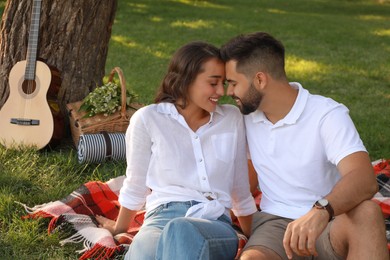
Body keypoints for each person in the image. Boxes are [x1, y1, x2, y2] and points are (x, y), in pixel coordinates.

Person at [220, 31, 389, 260]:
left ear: (260, 80)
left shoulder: (326, 114)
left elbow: (364, 178)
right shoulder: (244, 117)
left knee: (368, 212)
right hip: (275, 226)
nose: (228, 92)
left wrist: (321, 211)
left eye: (233, 83)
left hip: (329, 222)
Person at [96, 41, 257, 260]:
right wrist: (117, 229)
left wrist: (255, 237)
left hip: (213, 223)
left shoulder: (232, 119)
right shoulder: (148, 119)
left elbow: (240, 189)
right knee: (145, 251)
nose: (221, 91)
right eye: (213, 83)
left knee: (181, 230)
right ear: (186, 80)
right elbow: (136, 184)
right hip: (160, 218)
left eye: (224, 83)